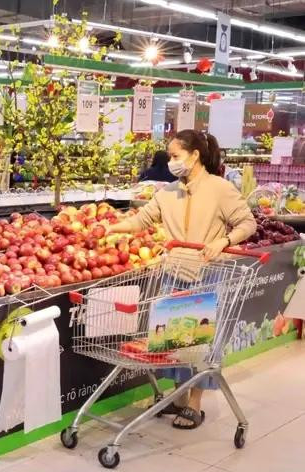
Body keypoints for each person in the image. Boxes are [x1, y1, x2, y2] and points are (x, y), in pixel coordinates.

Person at [108, 129, 256, 430]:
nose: (172, 162)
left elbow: (247, 222)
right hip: (174, 272)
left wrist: (224, 241)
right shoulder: (167, 192)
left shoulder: (219, 188)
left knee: (199, 343)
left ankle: (195, 403)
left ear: (195, 155)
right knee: (170, 340)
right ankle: (176, 396)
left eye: (176, 156)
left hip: (207, 271)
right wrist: (111, 229)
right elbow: (141, 220)